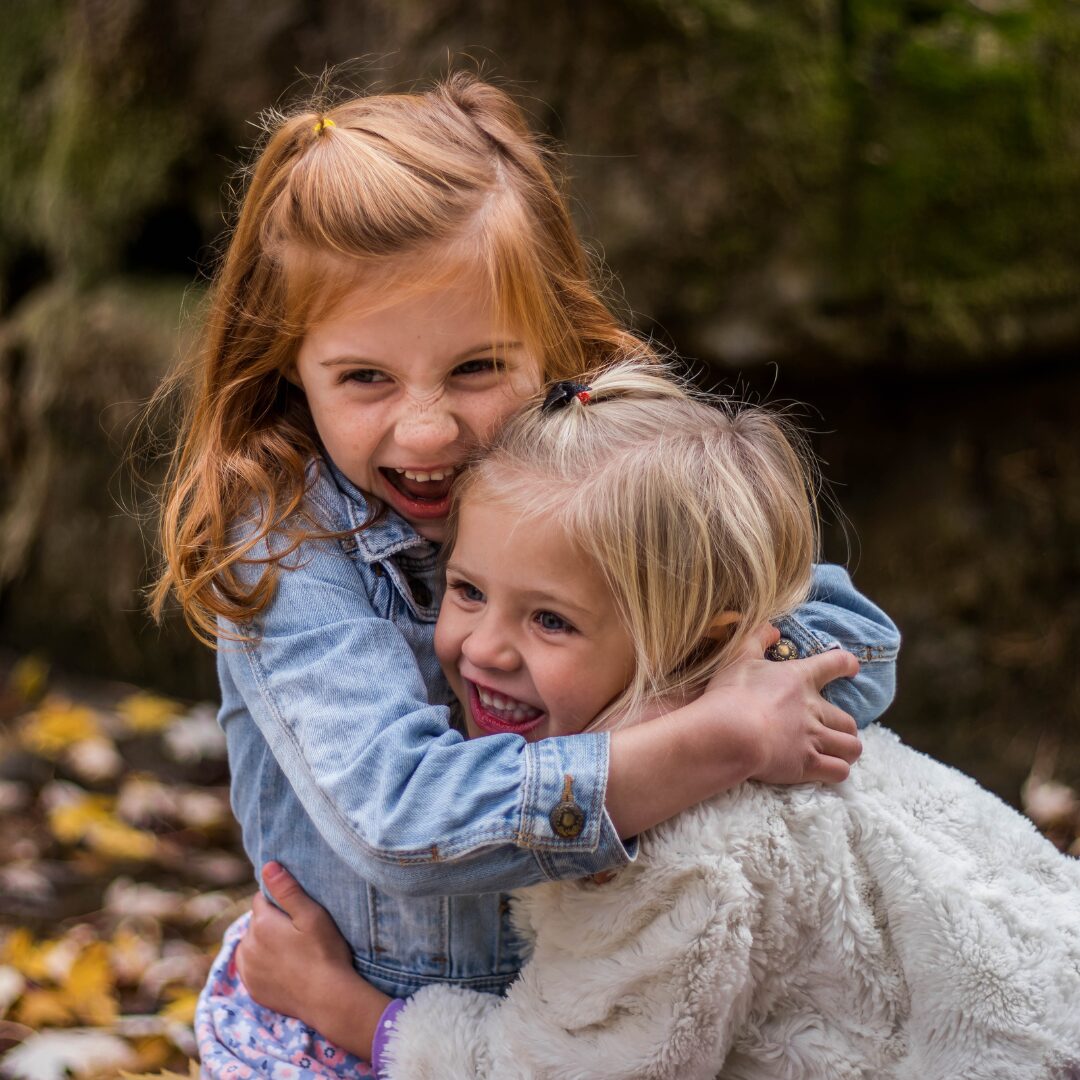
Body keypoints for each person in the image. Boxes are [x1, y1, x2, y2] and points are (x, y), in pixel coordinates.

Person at [149, 74, 898, 1074]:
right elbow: (402, 819)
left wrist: (704, 685)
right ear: (289, 363)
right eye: (365, 378)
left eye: (476, 371)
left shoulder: (602, 471)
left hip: (596, 1011)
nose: (427, 430)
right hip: (360, 1018)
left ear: (551, 338)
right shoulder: (288, 542)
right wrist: (704, 742)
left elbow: (857, 648)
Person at [239, 363, 1080, 1080]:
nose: (483, 649)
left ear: (697, 640)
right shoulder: (755, 702)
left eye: (551, 621)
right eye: (467, 591)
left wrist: (344, 1010)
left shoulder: (679, 852)